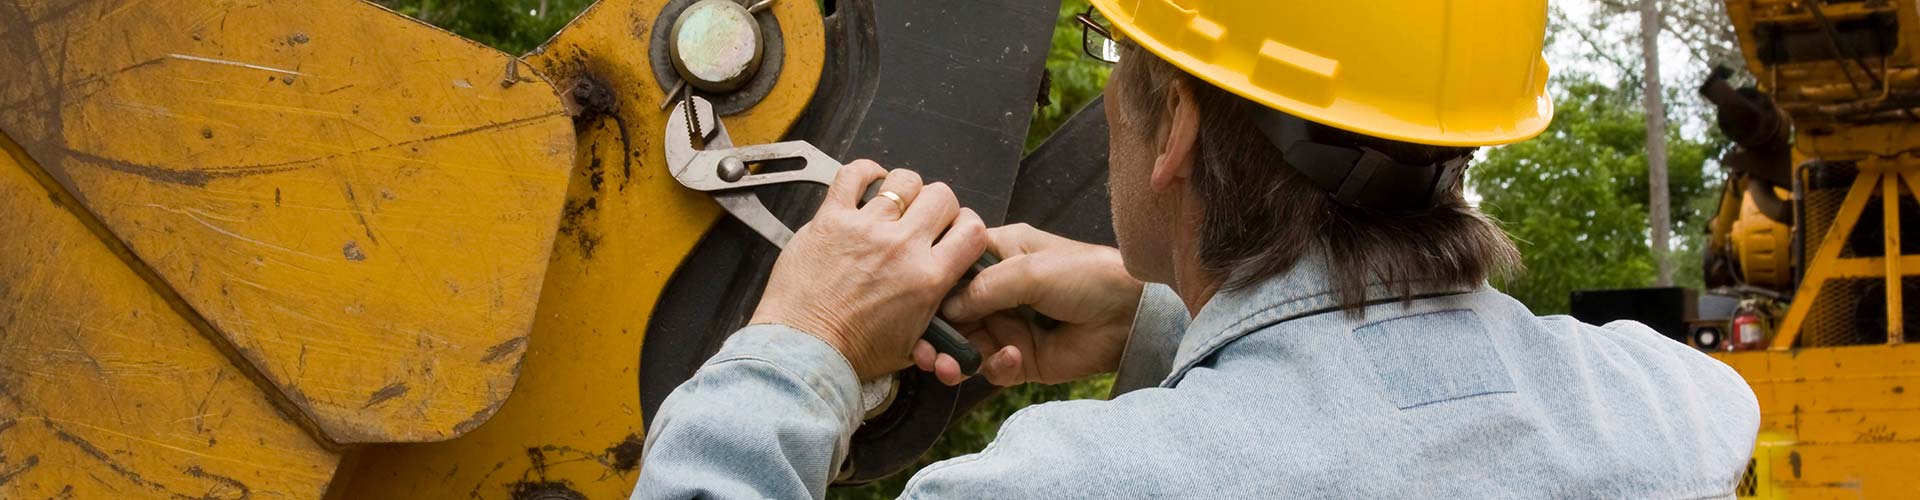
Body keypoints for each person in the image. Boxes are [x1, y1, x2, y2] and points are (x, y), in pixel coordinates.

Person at [632, 0, 1760, 497]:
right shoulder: (1676, 408)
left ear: (1171, 122)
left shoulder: (1063, 488)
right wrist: (1161, 312)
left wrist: (802, 340)